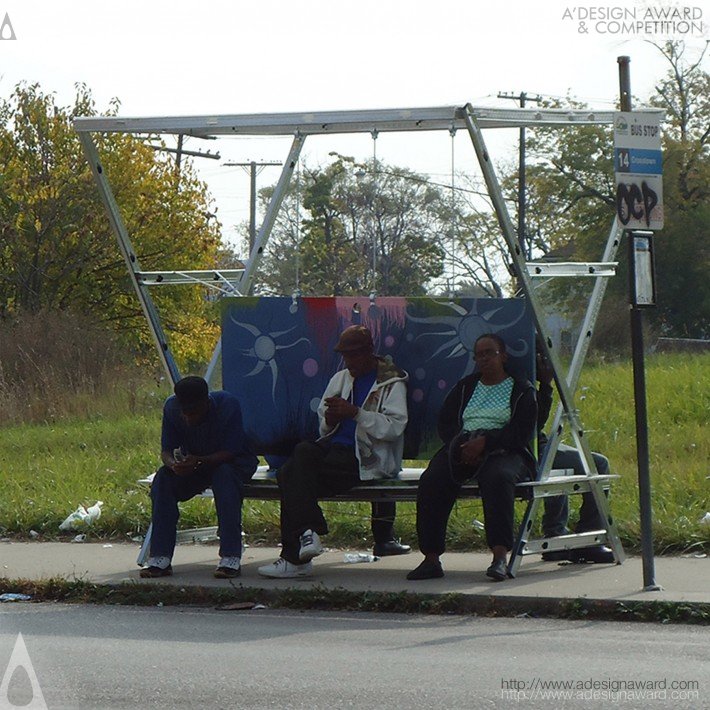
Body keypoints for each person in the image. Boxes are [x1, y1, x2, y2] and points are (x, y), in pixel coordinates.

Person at [258, 325, 409, 578]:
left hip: (366, 459)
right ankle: (307, 536)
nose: (349, 362)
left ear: (369, 352)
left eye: (354, 355)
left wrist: (356, 413)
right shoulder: (341, 378)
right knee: (297, 462)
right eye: (345, 356)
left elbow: (394, 428)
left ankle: (296, 557)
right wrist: (329, 417)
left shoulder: (391, 382)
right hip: (333, 451)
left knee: (290, 475)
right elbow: (323, 427)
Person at [407, 333, 537, 582]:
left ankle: (499, 557)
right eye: (480, 354)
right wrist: (463, 446)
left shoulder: (521, 389)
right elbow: (446, 422)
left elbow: (522, 431)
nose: (485, 359)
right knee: (432, 479)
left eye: (491, 353)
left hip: (505, 449)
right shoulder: (466, 387)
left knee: (498, 478)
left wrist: (487, 442)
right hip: (464, 445)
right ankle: (431, 558)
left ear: (504, 356)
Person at [140, 376, 258, 579]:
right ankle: (160, 557)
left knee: (224, 478)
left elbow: (231, 451)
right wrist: (174, 465)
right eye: (184, 413)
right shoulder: (171, 408)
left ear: (206, 402)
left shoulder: (227, 405)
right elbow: (166, 451)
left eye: (193, 413)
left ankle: (230, 557)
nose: (188, 418)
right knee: (163, 480)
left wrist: (199, 461)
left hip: (232, 464)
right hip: (195, 465)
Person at [536, 352, 615, 564]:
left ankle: (555, 535)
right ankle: (589, 538)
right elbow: (533, 421)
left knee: (555, 463)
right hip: (529, 447)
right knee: (598, 464)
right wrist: (544, 385)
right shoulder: (515, 381)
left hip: (530, 445)